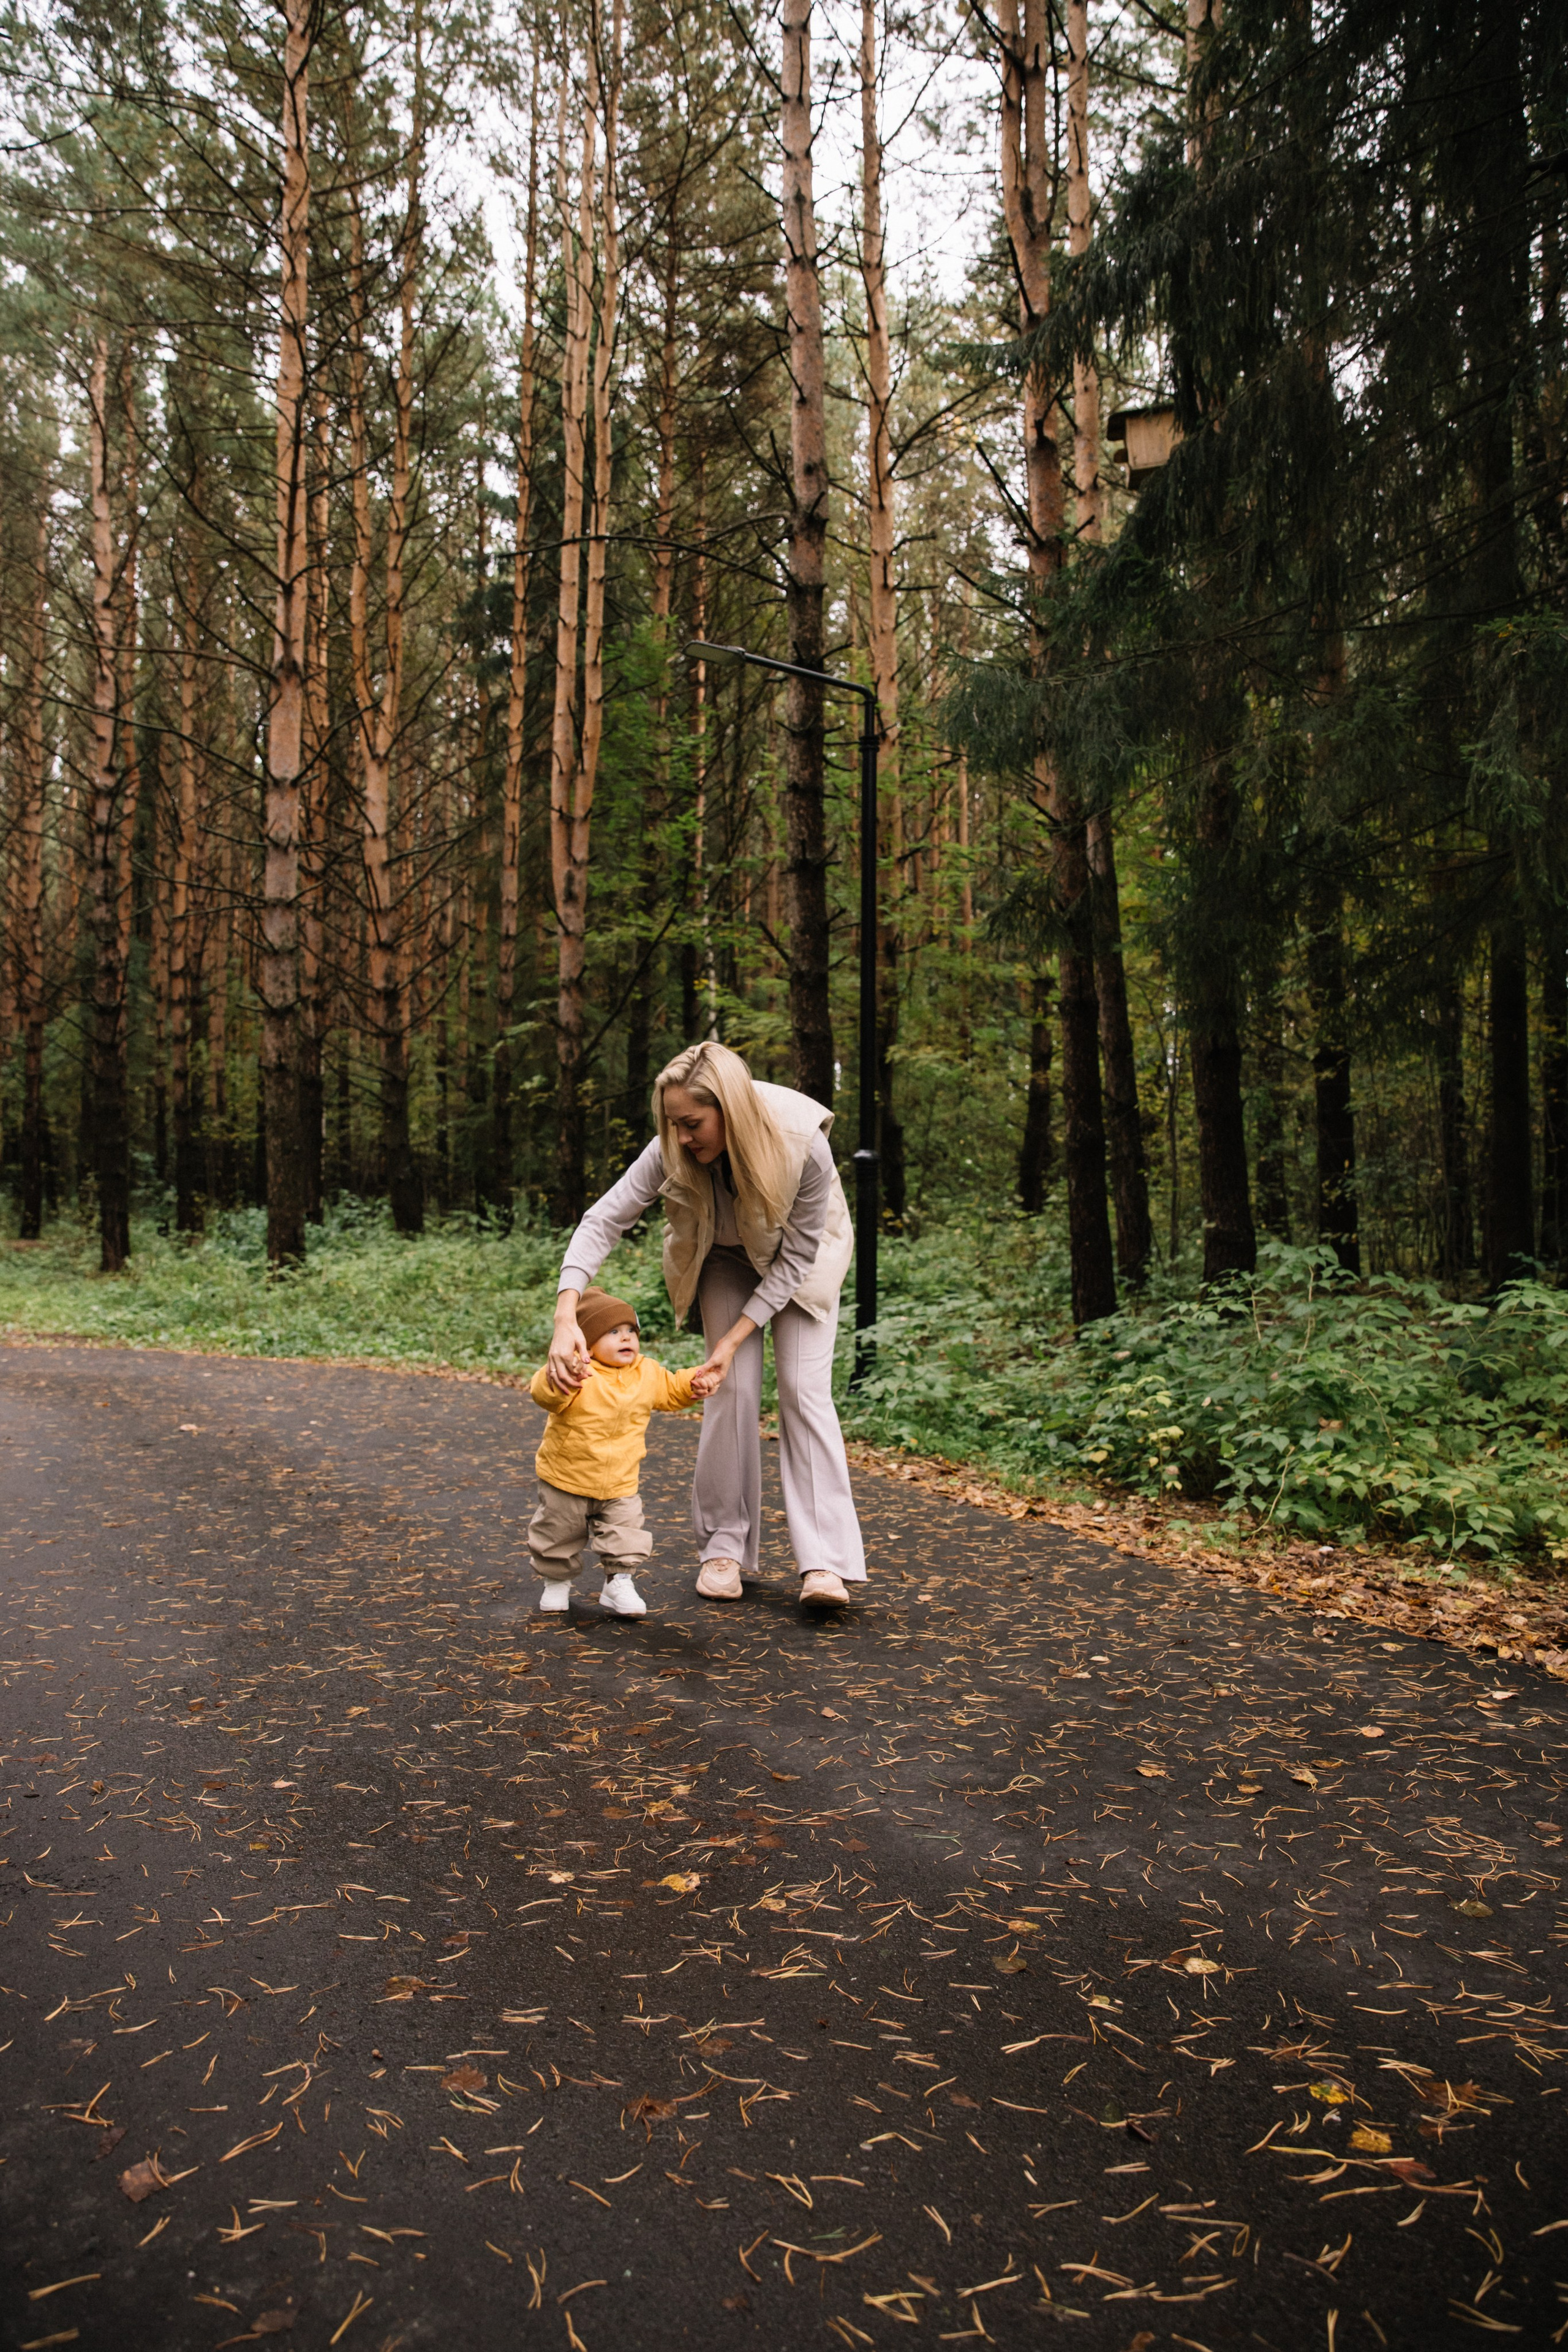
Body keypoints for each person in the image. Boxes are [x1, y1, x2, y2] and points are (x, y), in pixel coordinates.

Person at [548, 1041, 866, 1610]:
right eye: (673, 1125)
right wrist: (565, 1312)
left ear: (728, 1109)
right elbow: (604, 1220)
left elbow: (793, 1262)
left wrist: (737, 1335)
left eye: (692, 1124)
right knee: (730, 1388)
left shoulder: (803, 1145)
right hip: (722, 1257)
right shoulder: (672, 1146)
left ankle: (824, 1564)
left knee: (803, 1391)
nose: (682, 1138)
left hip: (802, 1263)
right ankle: (724, 1548)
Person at [527, 1284, 711, 1616]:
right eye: (613, 1332)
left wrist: (692, 1383)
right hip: (567, 1476)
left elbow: (671, 1390)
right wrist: (563, 1373)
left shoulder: (646, 1372)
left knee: (626, 1535)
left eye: (630, 1331)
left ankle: (618, 1582)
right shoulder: (579, 1372)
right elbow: (545, 1394)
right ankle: (556, 1583)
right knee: (557, 1533)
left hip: (621, 1480)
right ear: (586, 1342)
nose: (626, 1338)